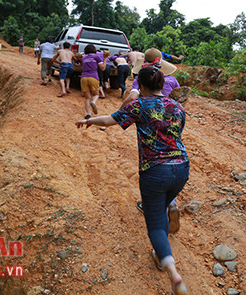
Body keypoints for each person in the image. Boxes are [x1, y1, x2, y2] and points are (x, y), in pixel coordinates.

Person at [75, 65, 189, 295]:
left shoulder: (139, 105)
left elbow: (110, 120)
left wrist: (88, 121)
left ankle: (173, 272)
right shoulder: (177, 107)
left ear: (142, 86)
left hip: (154, 170)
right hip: (182, 168)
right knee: (164, 206)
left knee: (155, 222)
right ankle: (160, 254)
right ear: (161, 85)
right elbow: (178, 134)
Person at [124, 48, 182, 233]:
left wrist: (120, 110)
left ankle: (155, 208)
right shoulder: (171, 79)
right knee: (169, 158)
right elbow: (180, 98)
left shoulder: (142, 77)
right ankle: (171, 203)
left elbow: (133, 96)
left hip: (149, 128)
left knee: (153, 164)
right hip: (171, 126)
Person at [80, 44, 106, 119]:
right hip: (93, 77)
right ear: (94, 50)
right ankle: (93, 102)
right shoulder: (96, 57)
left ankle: (88, 113)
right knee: (96, 94)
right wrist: (104, 58)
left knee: (87, 97)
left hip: (83, 77)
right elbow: (103, 68)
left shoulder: (83, 57)